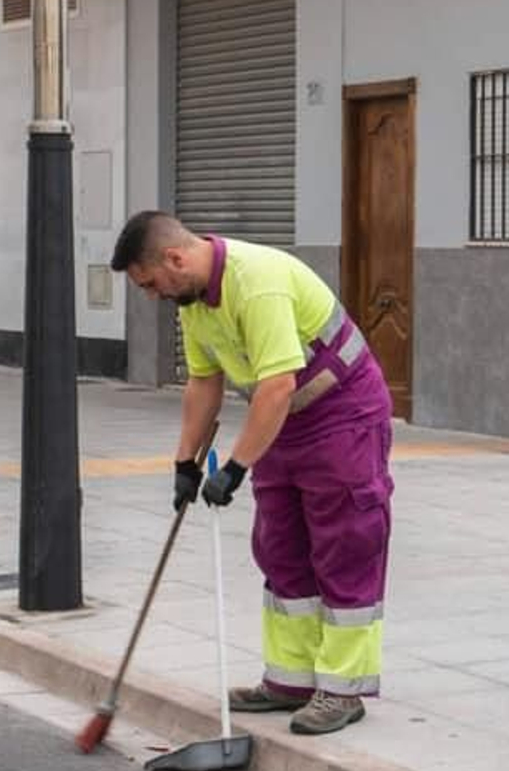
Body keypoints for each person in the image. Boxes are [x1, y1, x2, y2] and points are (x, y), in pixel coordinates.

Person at [109, 211, 394, 735]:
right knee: (280, 546)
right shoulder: (193, 302)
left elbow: (279, 385)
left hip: (341, 414)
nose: (152, 295)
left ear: (175, 259)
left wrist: (236, 466)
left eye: (150, 284)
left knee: (343, 545)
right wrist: (183, 462)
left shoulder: (255, 282)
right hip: (282, 419)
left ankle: (342, 690)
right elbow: (203, 382)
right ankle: (290, 681)